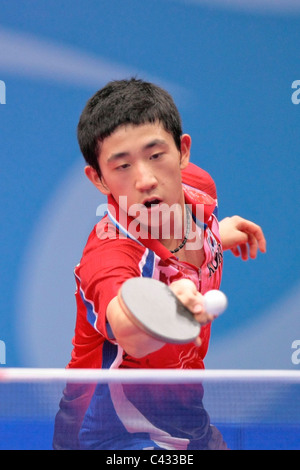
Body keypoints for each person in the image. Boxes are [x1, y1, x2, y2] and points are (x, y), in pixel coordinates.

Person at [53, 78, 266, 450]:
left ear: (182, 151)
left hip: (186, 414)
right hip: (115, 433)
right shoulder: (111, 254)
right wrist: (166, 311)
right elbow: (128, 329)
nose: (146, 179)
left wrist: (219, 234)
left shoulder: (198, 191)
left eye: (156, 155)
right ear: (97, 179)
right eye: (121, 166)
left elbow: (191, 228)